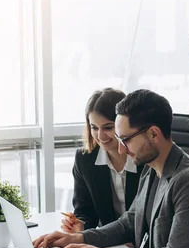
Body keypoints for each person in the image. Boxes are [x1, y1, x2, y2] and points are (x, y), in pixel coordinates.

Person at [32, 90, 189, 248]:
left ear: (154, 134)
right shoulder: (151, 169)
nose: (121, 150)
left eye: (126, 140)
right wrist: (78, 238)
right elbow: (129, 222)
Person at [61, 88, 143, 233]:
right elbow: (85, 212)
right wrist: (80, 226)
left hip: (142, 246)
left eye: (108, 127)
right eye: (94, 127)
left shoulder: (144, 158)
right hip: (107, 242)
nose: (100, 136)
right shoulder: (85, 159)